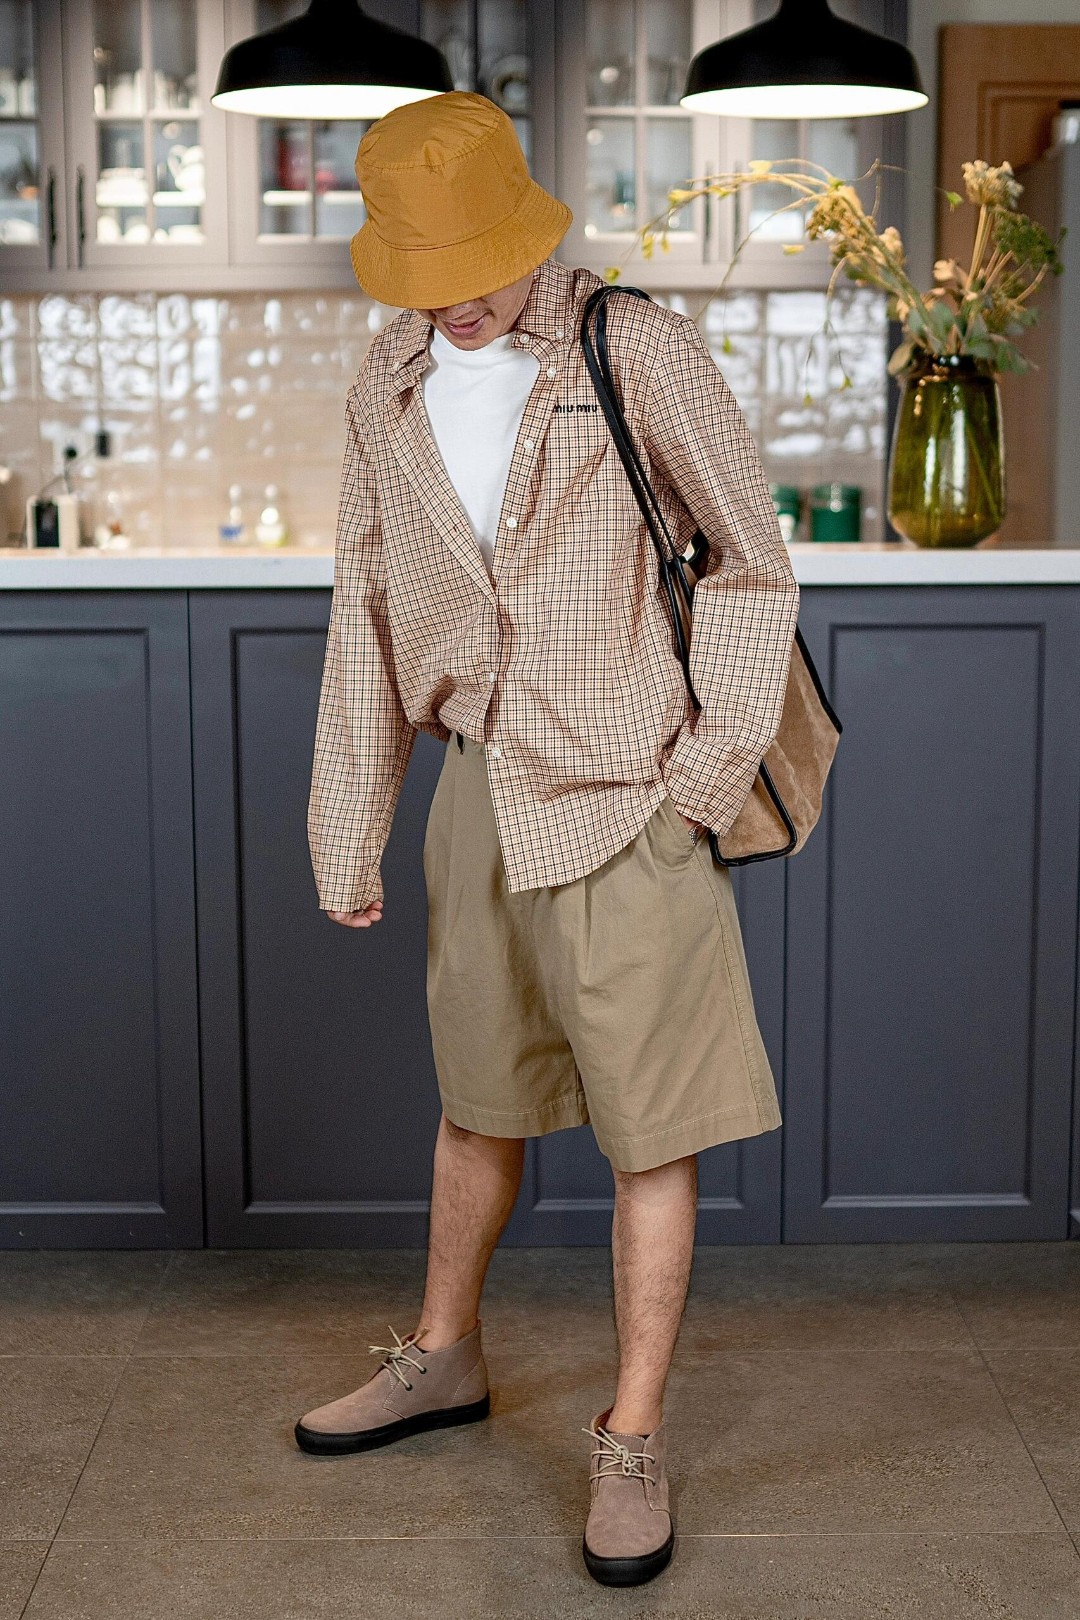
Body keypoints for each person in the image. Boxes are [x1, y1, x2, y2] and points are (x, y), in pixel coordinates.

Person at [299, 90, 799, 1589]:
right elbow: (363, 608)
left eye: (472, 266)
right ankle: (443, 1354)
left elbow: (754, 568)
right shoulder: (386, 380)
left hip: (630, 794)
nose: (451, 301)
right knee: (477, 1104)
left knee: (653, 1129)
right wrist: (349, 827)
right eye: (421, 272)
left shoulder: (635, 348)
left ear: (526, 229)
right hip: (476, 791)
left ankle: (631, 1436)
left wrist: (702, 778)